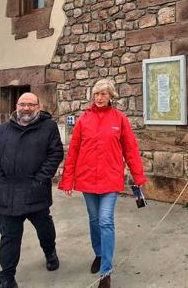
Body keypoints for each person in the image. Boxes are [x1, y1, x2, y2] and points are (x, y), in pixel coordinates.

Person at [58, 79, 147, 288]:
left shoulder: (120, 119)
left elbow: (131, 150)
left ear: (111, 96)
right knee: (94, 220)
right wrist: (67, 180)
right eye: (97, 94)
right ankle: (98, 253)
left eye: (103, 94)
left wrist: (138, 177)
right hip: (87, 179)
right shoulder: (83, 120)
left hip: (110, 179)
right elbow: (74, 152)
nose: (99, 98)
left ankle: (106, 271)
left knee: (105, 220)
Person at [0, 92, 64, 288]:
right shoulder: (3, 129)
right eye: (23, 104)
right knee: (9, 237)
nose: (26, 108)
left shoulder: (48, 127)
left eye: (31, 104)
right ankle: (7, 277)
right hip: (7, 193)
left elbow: (55, 154)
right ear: (16, 106)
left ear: (38, 106)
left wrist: (40, 179)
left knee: (44, 228)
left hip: (35, 191)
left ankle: (50, 251)